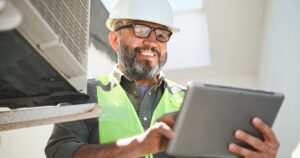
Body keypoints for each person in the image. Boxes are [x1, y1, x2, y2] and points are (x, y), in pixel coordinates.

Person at [45, 0, 280, 158]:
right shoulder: (83, 92)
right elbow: (60, 152)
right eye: (140, 30)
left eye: (161, 34)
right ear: (115, 40)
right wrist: (140, 145)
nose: (151, 42)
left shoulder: (192, 102)